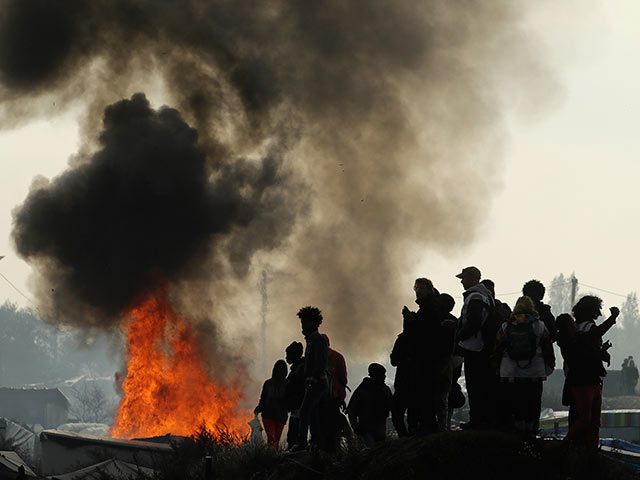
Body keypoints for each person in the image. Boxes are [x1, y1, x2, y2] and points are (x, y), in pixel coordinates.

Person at [494, 296, 555, 437]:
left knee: (515, 404)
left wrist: (497, 366)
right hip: (534, 373)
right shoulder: (540, 326)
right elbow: (547, 347)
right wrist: (550, 365)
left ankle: (517, 432)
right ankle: (531, 432)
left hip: (511, 373)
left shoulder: (506, 326)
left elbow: (498, 347)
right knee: (533, 404)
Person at [557, 310, 613, 453]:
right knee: (588, 420)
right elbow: (594, 339)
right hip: (586, 383)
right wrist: (612, 319)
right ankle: (570, 445)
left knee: (587, 419)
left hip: (583, 382)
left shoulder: (568, 342)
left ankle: (575, 446)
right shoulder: (574, 341)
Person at [402, 277, 452, 434]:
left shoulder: (431, 308)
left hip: (429, 359)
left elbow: (425, 333)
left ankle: (429, 428)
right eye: (416, 288)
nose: (418, 291)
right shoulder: (429, 307)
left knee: (427, 396)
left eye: (421, 288)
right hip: (429, 358)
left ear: (430, 289)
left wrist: (411, 322)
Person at [455, 266, 494, 429]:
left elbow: (474, 323)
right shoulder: (486, 296)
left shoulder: (475, 296)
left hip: (475, 348)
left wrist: (459, 336)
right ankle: (482, 419)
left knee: (475, 386)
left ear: (472, 278)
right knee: (481, 386)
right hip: (482, 347)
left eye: (464, 278)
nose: (462, 282)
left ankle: (477, 421)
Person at [290, 306, 328, 452]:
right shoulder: (312, 340)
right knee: (312, 413)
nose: (302, 326)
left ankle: (302, 443)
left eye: (304, 323)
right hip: (314, 384)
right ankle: (315, 443)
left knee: (305, 411)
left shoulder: (318, 340)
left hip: (317, 384)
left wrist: (313, 377)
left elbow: (321, 363)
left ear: (313, 322)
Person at [347, 363, 393, 446]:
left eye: (384, 374)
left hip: (380, 429)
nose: (384, 376)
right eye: (382, 374)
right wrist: (356, 427)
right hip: (366, 430)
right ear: (374, 375)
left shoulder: (385, 390)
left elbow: (392, 406)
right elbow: (352, 412)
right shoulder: (362, 391)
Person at [321, 333, 348, 452]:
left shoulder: (313, 358)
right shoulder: (338, 357)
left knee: (322, 429)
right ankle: (335, 453)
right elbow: (343, 380)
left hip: (319, 400)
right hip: (334, 398)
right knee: (333, 430)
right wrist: (341, 398)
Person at [255, 359, 289, 452]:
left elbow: (289, 400)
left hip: (281, 417)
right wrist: (259, 408)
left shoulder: (287, 384)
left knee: (275, 441)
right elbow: (263, 398)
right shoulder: (268, 384)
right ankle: (271, 458)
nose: (280, 371)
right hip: (268, 416)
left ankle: (272, 459)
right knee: (272, 439)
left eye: (282, 369)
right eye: (278, 369)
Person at [284, 341, 305, 450]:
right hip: (296, 407)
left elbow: (299, 389)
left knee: (294, 435)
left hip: (298, 408)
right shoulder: (297, 368)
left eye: (288, 354)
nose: (286, 357)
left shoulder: (300, 369)